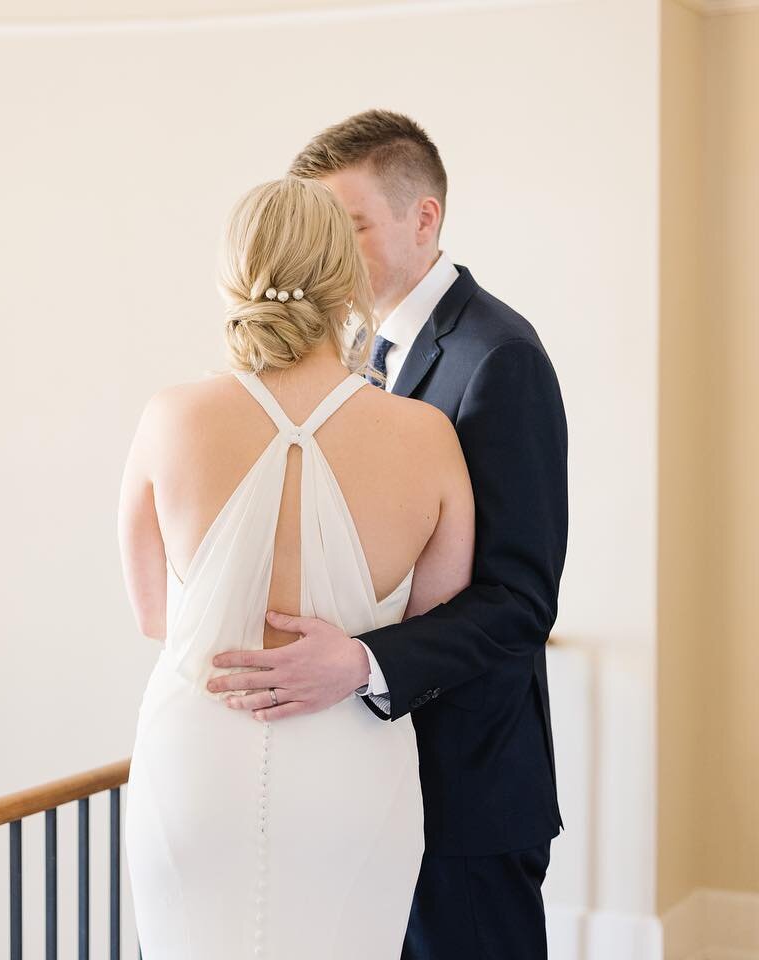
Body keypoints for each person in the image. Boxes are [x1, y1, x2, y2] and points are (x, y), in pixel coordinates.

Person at [207, 110, 568, 959]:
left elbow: (521, 600)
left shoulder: (497, 356)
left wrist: (364, 663)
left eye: (351, 225)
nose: (330, 252)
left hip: (464, 792)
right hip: (361, 782)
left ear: (424, 218)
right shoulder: (350, 361)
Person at [118, 175, 474, 958]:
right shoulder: (425, 437)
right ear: (346, 280)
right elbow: (436, 625)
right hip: (351, 770)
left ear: (232, 279)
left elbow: (155, 617)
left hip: (197, 763)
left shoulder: (170, 418)